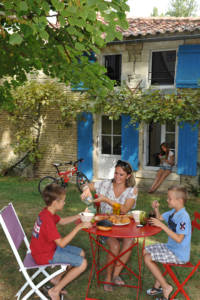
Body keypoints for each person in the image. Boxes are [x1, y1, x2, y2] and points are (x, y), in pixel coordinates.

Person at [81, 160, 138, 292]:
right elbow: (86, 185)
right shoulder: (105, 184)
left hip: (124, 226)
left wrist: (106, 199)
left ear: (128, 176)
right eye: (116, 173)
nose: (117, 177)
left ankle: (116, 274)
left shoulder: (132, 191)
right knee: (115, 245)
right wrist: (86, 190)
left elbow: (124, 210)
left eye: (121, 175)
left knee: (129, 241)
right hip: (105, 226)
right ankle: (107, 277)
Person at [30, 183, 92, 300]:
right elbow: (62, 243)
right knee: (83, 263)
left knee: (81, 253)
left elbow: (62, 221)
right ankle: (55, 291)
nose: (64, 202)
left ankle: (56, 280)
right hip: (44, 254)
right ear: (55, 203)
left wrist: (79, 216)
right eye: (63, 200)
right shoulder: (47, 220)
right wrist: (78, 227)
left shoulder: (47, 212)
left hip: (46, 248)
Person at [144, 185, 191, 300]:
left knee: (147, 258)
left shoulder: (183, 217)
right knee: (145, 250)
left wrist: (163, 226)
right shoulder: (173, 212)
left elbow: (179, 239)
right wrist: (156, 208)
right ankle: (158, 285)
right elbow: (159, 218)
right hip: (170, 247)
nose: (167, 200)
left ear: (179, 201)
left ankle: (166, 287)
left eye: (169, 198)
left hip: (179, 254)